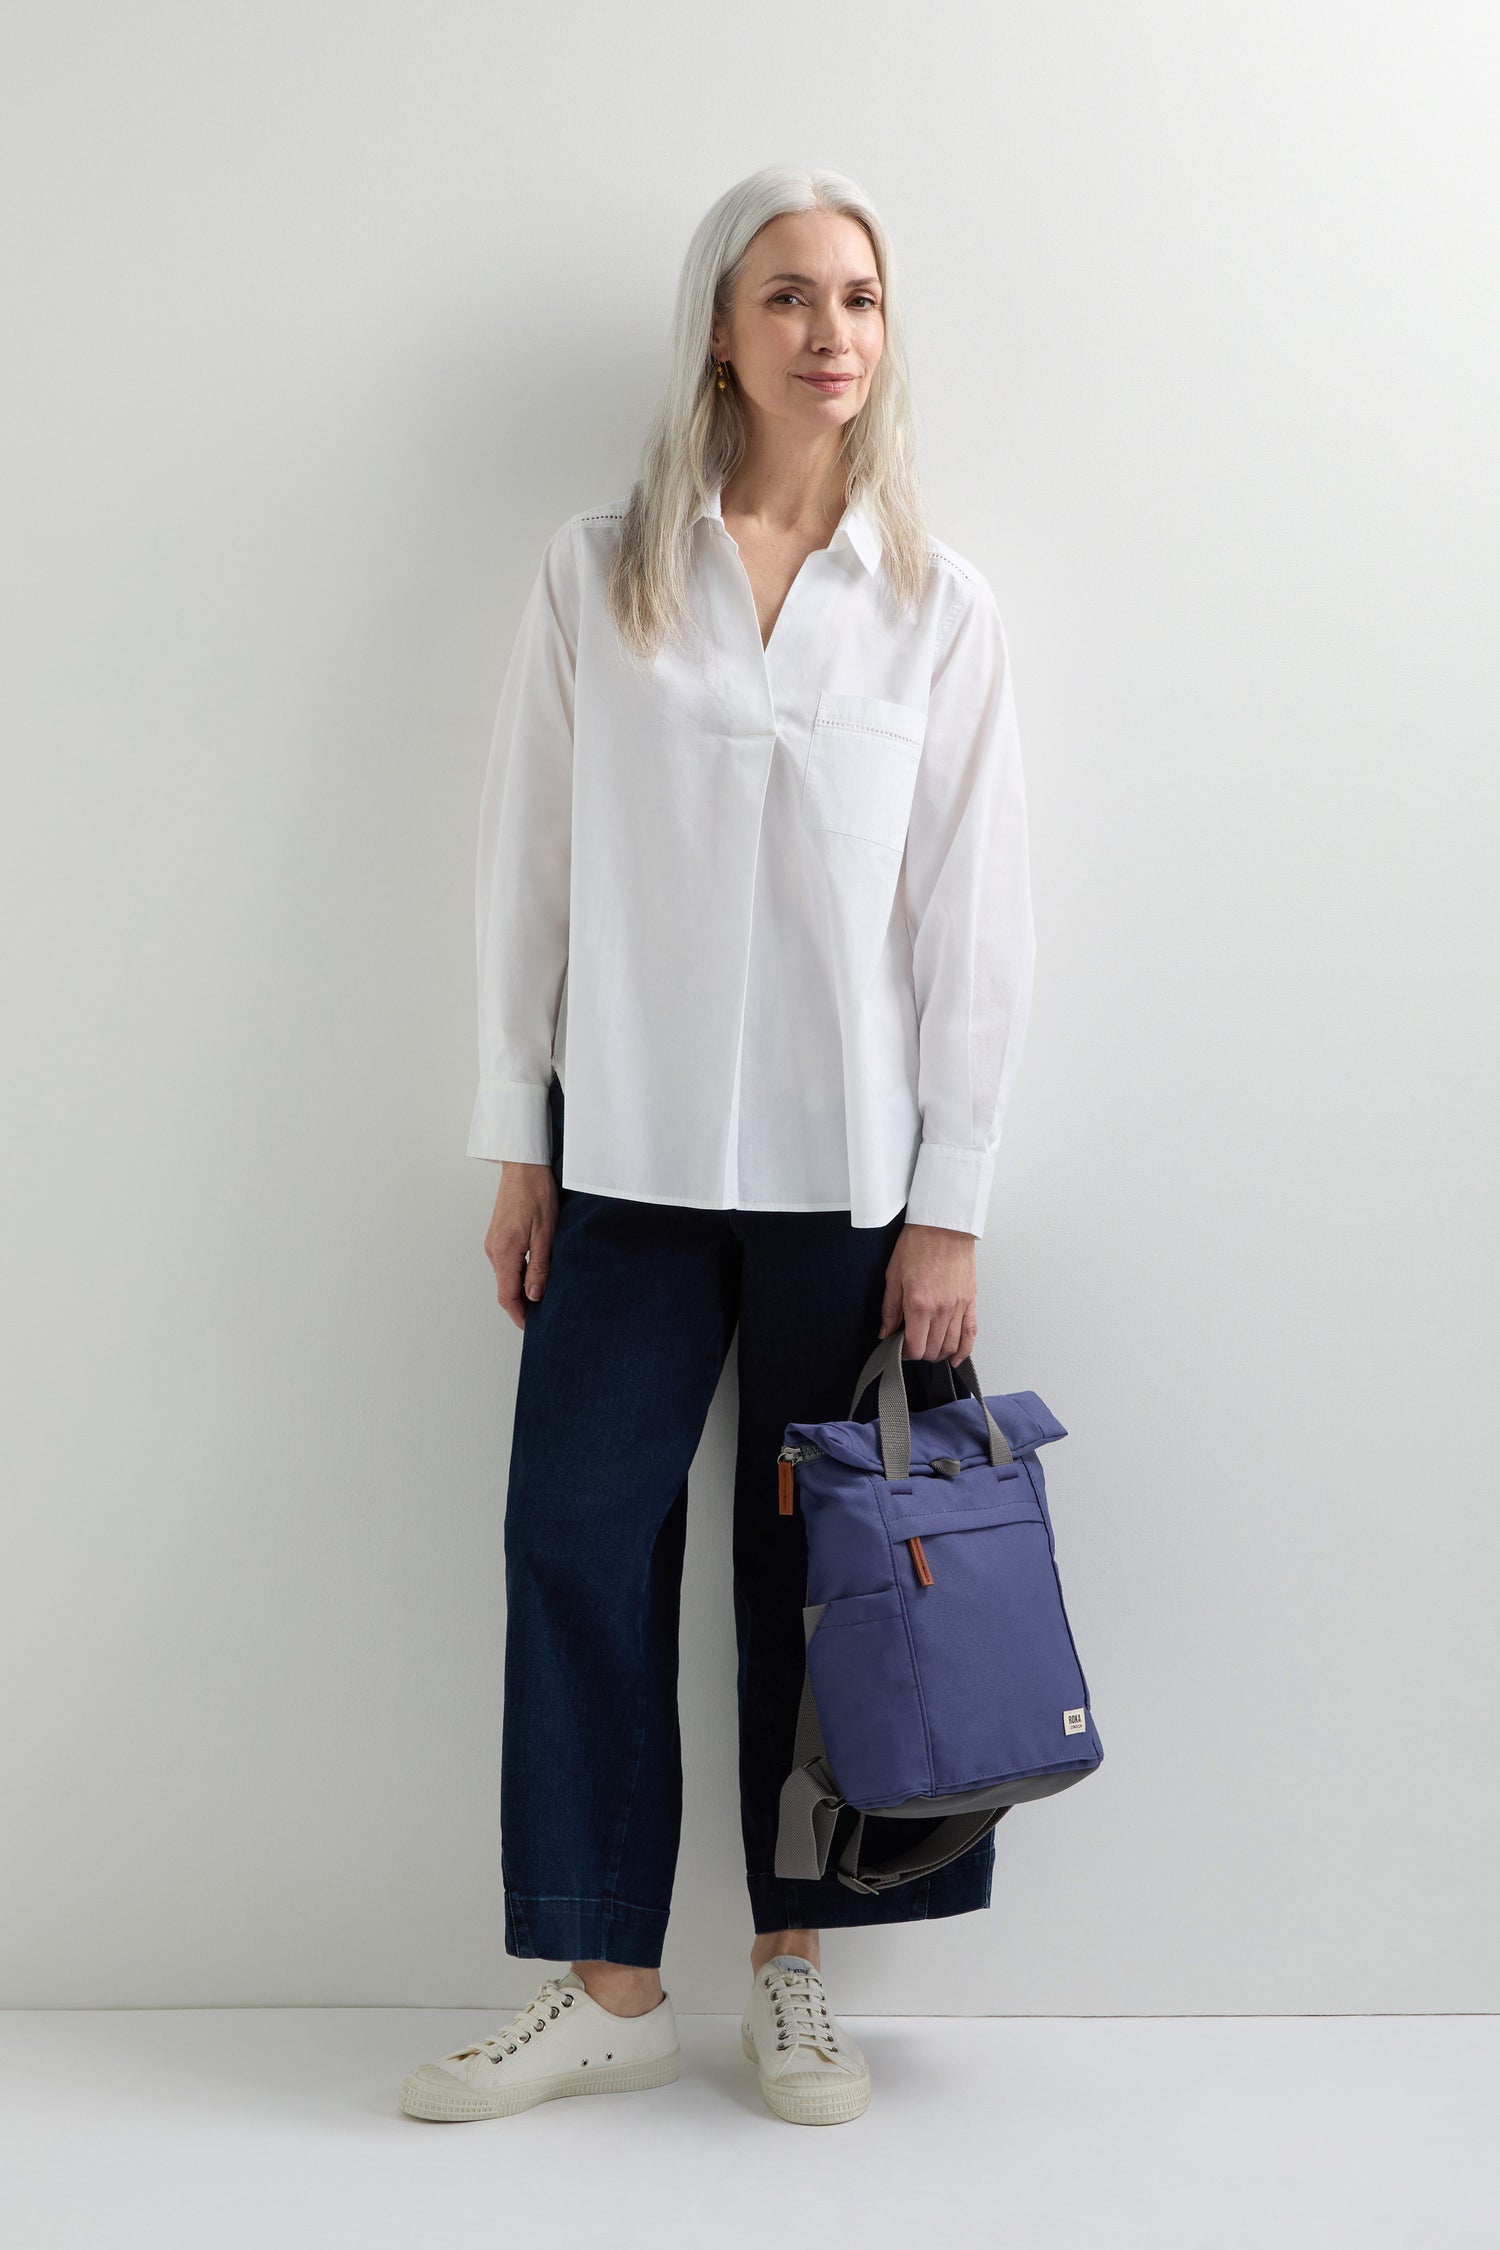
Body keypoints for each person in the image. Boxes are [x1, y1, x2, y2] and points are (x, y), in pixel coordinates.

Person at [402, 162, 1036, 2128]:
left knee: (822, 1574)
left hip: (852, 1191)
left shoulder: (938, 608)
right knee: (576, 1538)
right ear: (721, 328)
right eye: (789, 295)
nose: (831, 330)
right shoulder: (599, 572)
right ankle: (603, 1980)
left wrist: (954, 1209)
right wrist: (522, 1142)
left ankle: (791, 1969)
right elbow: (532, 877)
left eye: (856, 296)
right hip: (635, 1162)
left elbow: (976, 928)